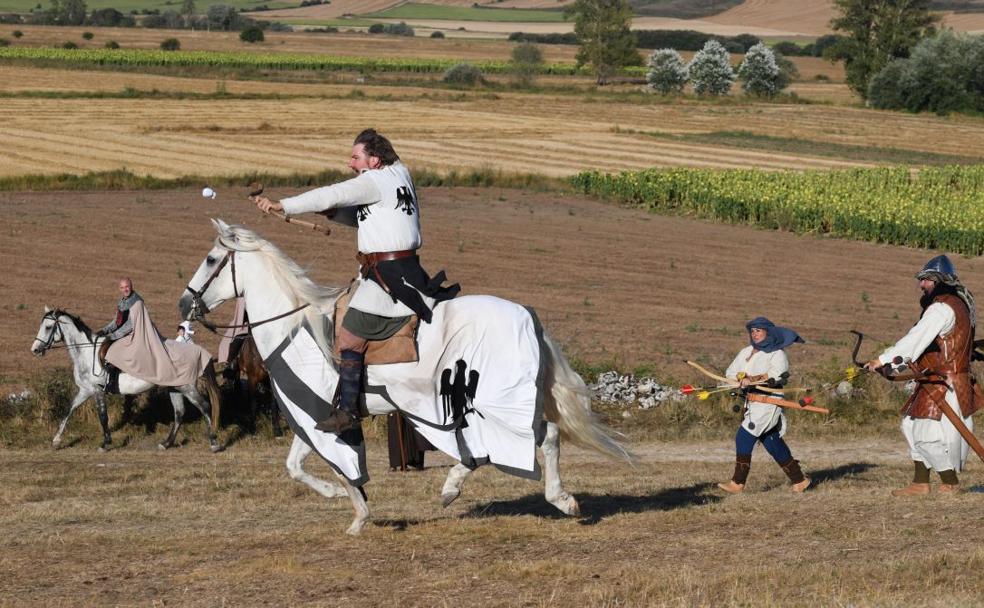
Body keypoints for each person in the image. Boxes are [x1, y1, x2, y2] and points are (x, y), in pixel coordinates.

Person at [253, 129, 458, 434]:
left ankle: (348, 410)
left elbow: (332, 192)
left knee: (348, 338)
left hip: (388, 277)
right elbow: (366, 215)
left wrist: (283, 205)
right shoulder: (400, 175)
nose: (350, 164)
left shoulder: (374, 180)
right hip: (407, 270)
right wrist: (332, 213)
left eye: (355, 157)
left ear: (374, 159)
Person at [864, 255, 982, 496]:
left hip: (944, 382)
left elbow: (915, 340)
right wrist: (893, 366)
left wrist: (883, 360)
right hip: (940, 378)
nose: (922, 285)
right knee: (910, 425)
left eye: (927, 280)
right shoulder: (958, 304)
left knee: (925, 434)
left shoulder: (941, 308)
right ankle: (920, 481)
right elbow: (929, 348)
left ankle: (950, 482)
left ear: (939, 281)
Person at [718, 317, 810, 494]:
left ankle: (737, 483)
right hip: (751, 402)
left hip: (768, 402)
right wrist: (736, 380)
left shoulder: (777, 354)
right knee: (771, 441)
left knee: (743, 437)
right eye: (752, 331)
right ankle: (800, 480)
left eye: (758, 330)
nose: (755, 334)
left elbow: (777, 375)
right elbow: (730, 372)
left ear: (768, 332)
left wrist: (751, 379)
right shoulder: (746, 351)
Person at [95, 277, 143, 393]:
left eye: (127, 287)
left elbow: (132, 324)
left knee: (114, 350)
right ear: (119, 289)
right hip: (123, 333)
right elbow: (117, 321)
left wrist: (113, 336)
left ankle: (112, 384)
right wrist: (104, 331)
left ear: (131, 286)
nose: (125, 289)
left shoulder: (137, 301)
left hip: (135, 333)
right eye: (122, 287)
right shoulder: (122, 301)